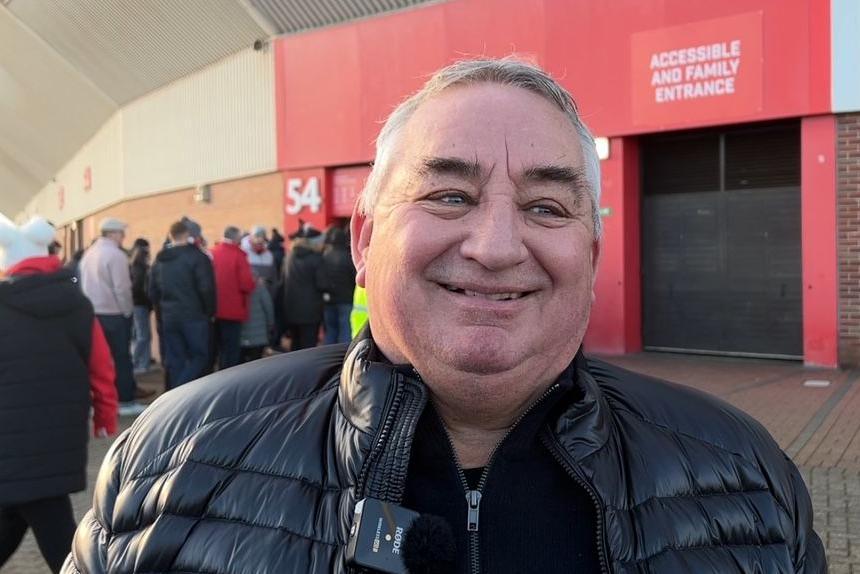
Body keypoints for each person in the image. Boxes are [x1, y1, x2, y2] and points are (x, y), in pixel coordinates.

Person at [64, 58, 825, 573]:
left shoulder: (746, 479)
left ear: (590, 255)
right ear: (365, 238)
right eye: (449, 196)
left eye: (546, 206)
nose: (495, 247)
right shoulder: (171, 461)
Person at [0, 216, 117, 574]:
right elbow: (101, 365)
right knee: (37, 512)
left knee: (48, 524)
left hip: (9, 435)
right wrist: (106, 415)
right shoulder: (76, 303)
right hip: (59, 433)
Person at [78, 217, 144, 416]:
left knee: (97, 361)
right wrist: (127, 311)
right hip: (114, 314)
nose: (123, 237)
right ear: (113, 233)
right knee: (122, 358)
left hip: (93, 314)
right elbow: (122, 288)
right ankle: (125, 400)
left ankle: (96, 401)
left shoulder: (89, 254)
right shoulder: (116, 255)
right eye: (122, 233)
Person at [148, 220, 216, 389]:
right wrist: (210, 312)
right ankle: (179, 391)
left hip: (169, 316)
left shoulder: (160, 260)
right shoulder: (198, 257)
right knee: (200, 356)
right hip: (194, 316)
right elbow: (206, 288)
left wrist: (161, 310)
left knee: (175, 359)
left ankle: (174, 395)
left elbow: (152, 291)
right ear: (187, 234)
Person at [210, 226, 255, 369]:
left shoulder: (211, 252)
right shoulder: (239, 255)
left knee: (216, 347)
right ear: (236, 238)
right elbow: (246, 284)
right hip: (233, 309)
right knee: (231, 349)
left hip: (213, 309)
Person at [281, 225, 325, 350]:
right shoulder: (316, 258)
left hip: (291, 308)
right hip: (311, 311)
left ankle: (294, 369)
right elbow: (322, 284)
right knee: (309, 345)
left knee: (295, 343)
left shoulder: (289, 257)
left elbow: (283, 280)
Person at [320, 225, 355, 344]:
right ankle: (342, 356)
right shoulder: (348, 257)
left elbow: (321, 278)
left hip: (329, 299)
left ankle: (328, 355)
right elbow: (354, 278)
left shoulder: (324, 256)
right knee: (345, 329)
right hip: (346, 299)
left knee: (330, 330)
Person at [129, 238, 153, 374]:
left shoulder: (133, 265)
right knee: (143, 335)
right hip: (140, 304)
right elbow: (138, 287)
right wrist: (147, 300)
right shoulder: (140, 267)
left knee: (138, 335)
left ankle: (142, 362)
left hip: (136, 304)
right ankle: (139, 363)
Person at [239, 271, 275, 363]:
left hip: (240, 337)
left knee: (240, 363)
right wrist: (271, 324)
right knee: (255, 363)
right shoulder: (260, 289)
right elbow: (268, 308)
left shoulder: (236, 289)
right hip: (259, 337)